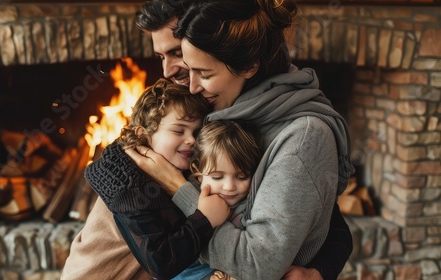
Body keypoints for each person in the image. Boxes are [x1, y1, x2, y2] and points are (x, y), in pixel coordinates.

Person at [62, 0, 353, 278]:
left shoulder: (226, 110)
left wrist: (323, 268)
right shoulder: (196, 110)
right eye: (161, 57)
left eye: (177, 53)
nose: (169, 72)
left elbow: (317, 206)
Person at [85, 78, 229, 279]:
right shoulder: (129, 188)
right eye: (179, 130)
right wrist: (203, 220)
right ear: (143, 135)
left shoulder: (187, 168)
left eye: (196, 132)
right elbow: (160, 261)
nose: (191, 140)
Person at [175, 120, 263, 280]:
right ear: (199, 172)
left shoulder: (255, 204)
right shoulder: (186, 199)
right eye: (217, 177)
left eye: (242, 176)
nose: (229, 186)